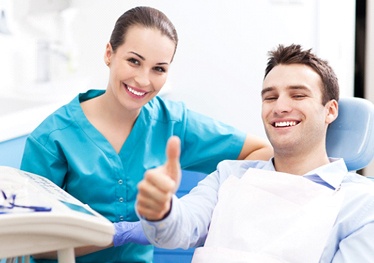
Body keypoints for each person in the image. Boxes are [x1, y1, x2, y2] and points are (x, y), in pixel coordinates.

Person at [20, 6, 273, 263]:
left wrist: (196, 206)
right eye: (134, 61)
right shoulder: (52, 138)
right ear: (109, 54)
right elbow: (33, 242)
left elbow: (262, 153)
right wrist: (117, 234)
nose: (143, 80)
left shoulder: (173, 123)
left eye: (159, 69)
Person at [136, 44, 374, 262]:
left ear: (330, 111)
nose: (280, 107)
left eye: (298, 95)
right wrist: (161, 210)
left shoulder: (361, 204)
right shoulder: (229, 176)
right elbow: (181, 228)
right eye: (270, 97)